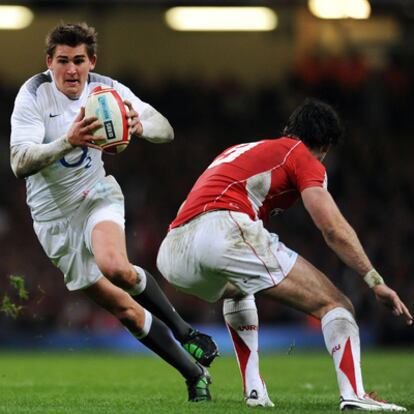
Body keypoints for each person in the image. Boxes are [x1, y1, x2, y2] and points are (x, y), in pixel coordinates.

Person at [156, 98, 413, 410]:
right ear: (326, 146)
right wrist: (374, 280)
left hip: (172, 252)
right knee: (337, 304)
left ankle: (254, 389)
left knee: (238, 289)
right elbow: (331, 228)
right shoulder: (301, 155)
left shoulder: (243, 150)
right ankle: (354, 394)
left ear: (289, 129)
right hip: (223, 228)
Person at [10, 22, 219, 402]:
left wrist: (141, 126)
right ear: (49, 62)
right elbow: (19, 162)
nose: (71, 70)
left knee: (115, 266)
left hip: (95, 193)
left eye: (78, 60)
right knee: (124, 309)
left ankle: (186, 332)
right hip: (52, 220)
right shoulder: (33, 95)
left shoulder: (107, 90)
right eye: (62, 61)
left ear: (91, 61)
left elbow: (165, 128)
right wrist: (67, 141)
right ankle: (193, 373)